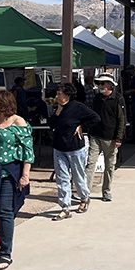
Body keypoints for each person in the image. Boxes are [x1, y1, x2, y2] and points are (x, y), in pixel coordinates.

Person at [0, 90, 33, 270]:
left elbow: (28, 150)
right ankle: (2, 248)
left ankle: (5, 253)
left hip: (8, 173)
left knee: (5, 212)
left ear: (4, 105)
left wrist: (25, 174)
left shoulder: (18, 122)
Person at [51, 83, 100, 219]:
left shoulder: (78, 107)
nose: (57, 95)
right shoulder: (58, 108)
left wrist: (82, 126)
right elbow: (51, 124)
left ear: (67, 94)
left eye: (59, 93)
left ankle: (84, 198)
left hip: (75, 148)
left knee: (78, 176)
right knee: (62, 178)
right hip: (59, 147)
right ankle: (65, 207)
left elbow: (95, 118)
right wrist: (56, 113)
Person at [85, 73, 125, 202]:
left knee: (109, 166)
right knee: (90, 164)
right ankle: (85, 192)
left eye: (102, 83)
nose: (100, 86)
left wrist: (118, 138)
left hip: (111, 138)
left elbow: (121, 120)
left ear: (110, 85)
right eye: (99, 83)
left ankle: (106, 191)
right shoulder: (97, 98)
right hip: (96, 136)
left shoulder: (118, 99)